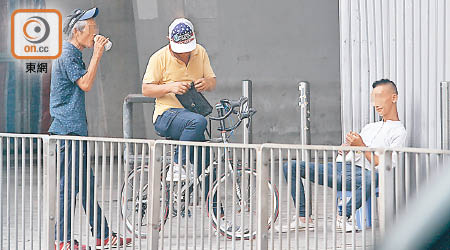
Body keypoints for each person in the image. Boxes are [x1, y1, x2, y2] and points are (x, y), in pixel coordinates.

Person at [49, 7, 131, 250]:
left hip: (74, 131)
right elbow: (85, 83)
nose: (97, 35)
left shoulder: (73, 53)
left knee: (85, 185)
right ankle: (62, 240)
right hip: (67, 132)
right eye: (93, 30)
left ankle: (103, 235)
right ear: (77, 31)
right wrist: (97, 54)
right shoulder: (67, 54)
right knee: (68, 187)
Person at [279, 79, 407, 232]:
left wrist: (361, 146)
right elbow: (354, 149)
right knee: (291, 166)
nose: (376, 103)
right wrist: (346, 148)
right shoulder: (370, 127)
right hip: (340, 168)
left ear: (394, 98)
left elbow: (386, 166)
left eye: (380, 97)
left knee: (372, 177)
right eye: (373, 98)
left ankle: (342, 216)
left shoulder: (399, 132)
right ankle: (303, 218)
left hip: (363, 174)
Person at [141, 18, 216, 181]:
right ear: (169, 40)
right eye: (179, 49)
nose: (184, 53)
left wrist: (206, 83)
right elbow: (146, 89)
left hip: (191, 115)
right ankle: (177, 165)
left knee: (207, 167)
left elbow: (212, 81)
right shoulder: (158, 58)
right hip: (166, 116)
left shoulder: (200, 51)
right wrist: (170, 87)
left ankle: (213, 205)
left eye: (187, 49)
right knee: (198, 122)